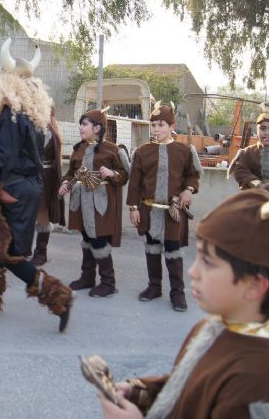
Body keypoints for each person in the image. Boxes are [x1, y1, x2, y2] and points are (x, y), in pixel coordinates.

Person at [99, 188, 269, 418]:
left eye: (208, 262)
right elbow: (190, 389)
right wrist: (142, 392)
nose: (193, 271)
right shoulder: (213, 327)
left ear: (254, 286)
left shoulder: (261, 382)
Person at [0, 38, 73, 332]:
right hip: (26, 187)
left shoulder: (11, 113)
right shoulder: (35, 116)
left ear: (7, 83)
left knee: (8, 253)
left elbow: (2, 160)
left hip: (13, 189)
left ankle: (59, 296)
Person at [127, 101, 202, 312]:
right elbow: (134, 183)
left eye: (161, 124)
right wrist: (133, 208)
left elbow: (193, 176)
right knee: (151, 248)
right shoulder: (142, 152)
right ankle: (154, 287)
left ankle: (177, 292)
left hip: (173, 212)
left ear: (172, 126)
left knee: (172, 250)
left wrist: (189, 189)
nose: (157, 129)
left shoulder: (184, 151)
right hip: (149, 211)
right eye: (153, 125)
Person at [58, 108, 129, 297]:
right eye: (81, 124)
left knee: (99, 240)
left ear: (97, 128)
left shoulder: (113, 150)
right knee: (87, 238)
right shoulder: (78, 149)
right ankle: (87, 278)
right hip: (80, 202)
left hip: (101, 202)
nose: (81, 127)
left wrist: (112, 173)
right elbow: (71, 174)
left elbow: (124, 175)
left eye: (85, 124)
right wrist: (65, 183)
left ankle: (108, 282)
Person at [30, 106, 65, 267]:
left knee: (42, 213)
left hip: (45, 177)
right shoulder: (35, 128)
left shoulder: (50, 130)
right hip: (32, 175)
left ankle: (41, 253)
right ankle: (23, 249)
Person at [229, 104, 269, 194]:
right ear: (257, 130)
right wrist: (258, 184)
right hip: (257, 196)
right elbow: (240, 171)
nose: (266, 133)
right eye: (262, 128)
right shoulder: (248, 152)